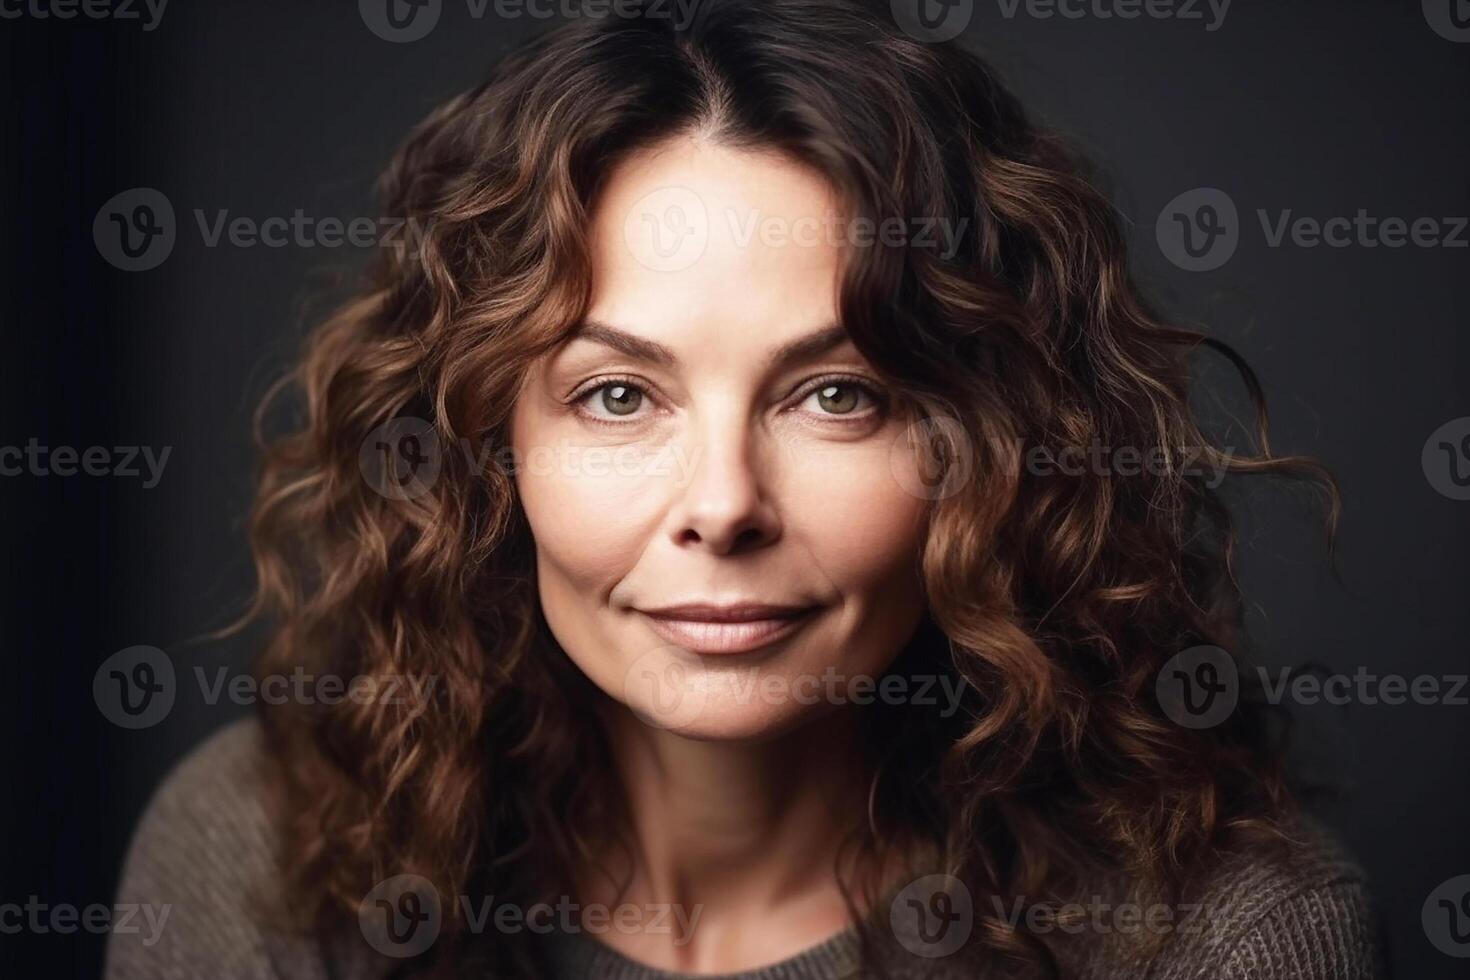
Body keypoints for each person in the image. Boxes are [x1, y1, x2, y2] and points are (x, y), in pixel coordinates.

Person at [107, 1, 1382, 977]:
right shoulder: (259, 861)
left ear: (985, 442)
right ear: (487, 443)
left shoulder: (1224, 932)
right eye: (619, 395)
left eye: (839, 395)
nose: (723, 504)